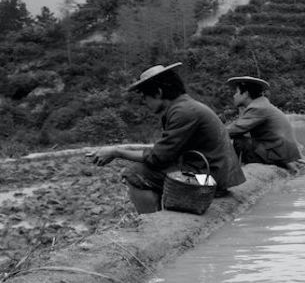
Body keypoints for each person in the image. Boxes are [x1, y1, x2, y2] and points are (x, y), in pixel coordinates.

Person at [88, 63, 246, 214]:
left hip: (211, 179)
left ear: (158, 92)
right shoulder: (185, 107)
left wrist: (116, 152)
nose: (144, 102)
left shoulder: (182, 112)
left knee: (134, 174)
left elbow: (158, 158)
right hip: (214, 173)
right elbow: (165, 152)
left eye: (145, 97)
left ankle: (151, 223)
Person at [224, 75, 301, 170]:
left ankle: (237, 171)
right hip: (281, 152)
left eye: (236, 92)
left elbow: (234, 130)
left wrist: (209, 132)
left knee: (240, 142)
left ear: (245, 94)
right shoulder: (261, 104)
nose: (234, 96)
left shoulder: (258, 107)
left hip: (278, 154)